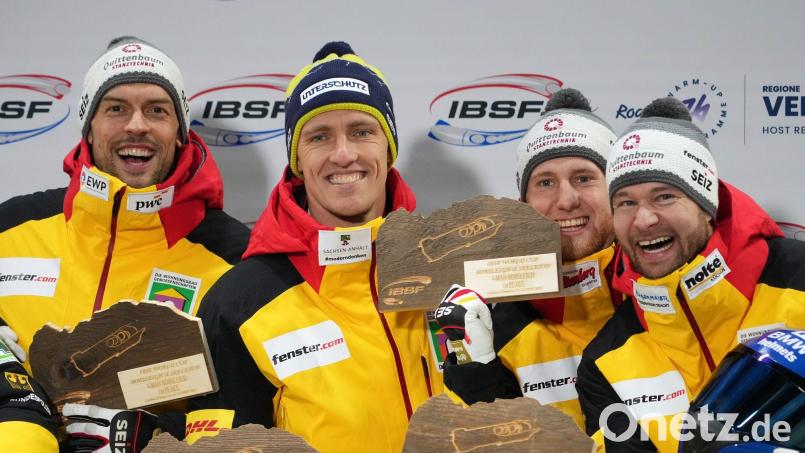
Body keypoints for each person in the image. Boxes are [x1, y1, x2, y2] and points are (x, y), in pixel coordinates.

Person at [159, 42, 437, 453]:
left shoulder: (452, 263)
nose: (343, 154)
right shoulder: (239, 303)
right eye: (319, 137)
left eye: (362, 131)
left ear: (388, 147)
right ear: (298, 160)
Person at [0, 36, 250, 451]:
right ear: (90, 126)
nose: (137, 125)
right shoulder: (11, 226)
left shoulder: (233, 256)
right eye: (116, 108)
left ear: (179, 130)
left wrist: (153, 436)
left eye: (157, 110)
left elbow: (244, 402)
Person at [576, 97, 805, 452]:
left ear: (706, 205)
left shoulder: (799, 277)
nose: (645, 219)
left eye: (664, 196)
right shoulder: (605, 360)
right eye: (626, 202)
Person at [436, 88, 622, 428]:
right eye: (546, 182)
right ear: (523, 205)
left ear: (616, 190)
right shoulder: (494, 320)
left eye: (583, 178)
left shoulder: (658, 298)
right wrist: (473, 372)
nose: (566, 200)